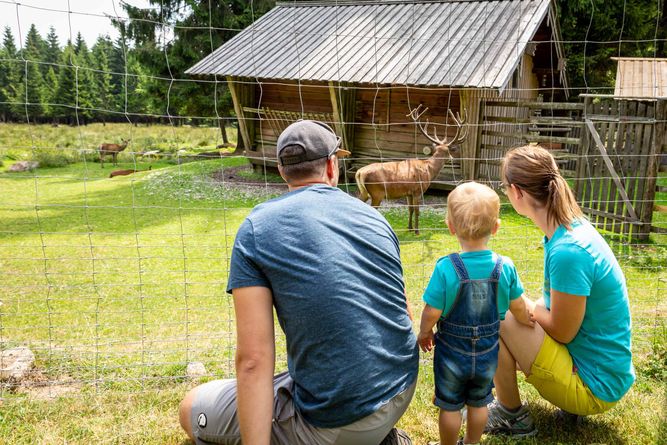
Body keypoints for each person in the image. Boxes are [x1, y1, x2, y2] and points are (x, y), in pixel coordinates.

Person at [178, 120, 419, 445]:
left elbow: (253, 360)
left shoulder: (256, 229)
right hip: (401, 389)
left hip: (336, 420)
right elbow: (403, 311)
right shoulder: (375, 218)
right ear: (332, 166)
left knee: (191, 405)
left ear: (281, 170)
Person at [484, 144, 635, 436]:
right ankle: (505, 402)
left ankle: (512, 417)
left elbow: (562, 331)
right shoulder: (569, 230)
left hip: (595, 387)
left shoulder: (569, 251)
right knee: (510, 311)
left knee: (500, 314)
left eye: (505, 189)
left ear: (517, 192)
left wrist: (525, 305)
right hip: (602, 371)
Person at [417, 181, 533, 445]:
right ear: (496, 227)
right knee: (479, 403)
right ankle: (471, 443)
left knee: (450, 406)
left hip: (451, 353)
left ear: (450, 226)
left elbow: (431, 310)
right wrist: (527, 319)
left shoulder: (446, 268)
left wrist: (425, 332)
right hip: (488, 351)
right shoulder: (506, 267)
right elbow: (518, 307)